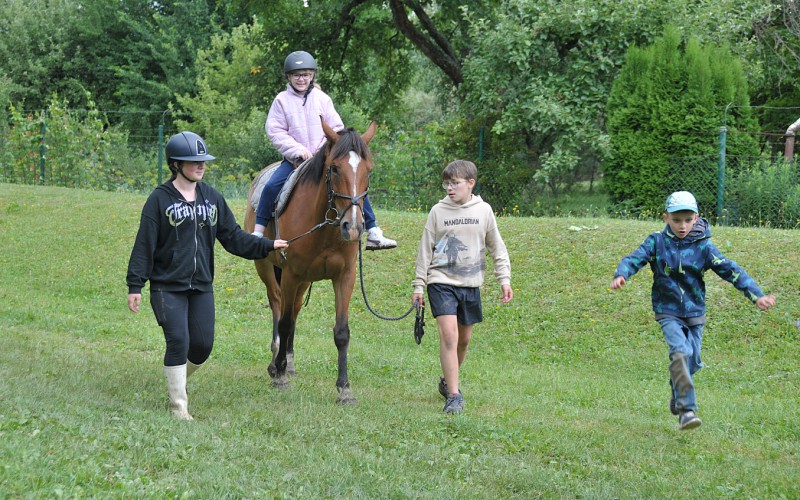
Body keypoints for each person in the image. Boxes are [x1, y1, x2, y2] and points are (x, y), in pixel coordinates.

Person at [126, 131, 288, 420]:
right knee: (179, 341)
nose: (201, 165)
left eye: (203, 160)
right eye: (194, 161)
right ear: (176, 164)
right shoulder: (159, 200)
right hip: (167, 287)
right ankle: (179, 407)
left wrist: (267, 245)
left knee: (201, 347)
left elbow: (234, 237)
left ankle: (177, 378)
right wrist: (135, 284)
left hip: (201, 285)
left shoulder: (212, 197)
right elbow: (144, 243)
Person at [610, 191, 776, 430]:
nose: (682, 226)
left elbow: (731, 270)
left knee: (694, 361)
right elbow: (634, 258)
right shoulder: (656, 242)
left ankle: (677, 391)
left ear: (696, 218)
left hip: (695, 312)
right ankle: (686, 410)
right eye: (676, 220)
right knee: (680, 352)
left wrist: (756, 295)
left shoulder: (704, 247)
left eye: (688, 220)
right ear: (666, 218)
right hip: (667, 310)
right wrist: (622, 273)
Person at [252, 50, 397, 250]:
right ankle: (258, 232)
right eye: (296, 75)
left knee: (353, 186)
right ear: (288, 77)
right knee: (271, 187)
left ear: (312, 76)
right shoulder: (281, 100)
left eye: (305, 74)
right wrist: (297, 150)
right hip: (296, 160)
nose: (301, 79)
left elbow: (336, 127)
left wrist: (329, 149)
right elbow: (275, 130)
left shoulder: (322, 98)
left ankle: (373, 231)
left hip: (323, 158)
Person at [411, 160, 513, 414]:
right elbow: (425, 250)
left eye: (454, 183)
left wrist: (505, 279)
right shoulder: (437, 211)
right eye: (446, 183)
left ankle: (447, 382)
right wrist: (419, 285)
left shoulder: (484, 210)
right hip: (441, 281)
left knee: (464, 341)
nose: (449, 188)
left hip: (470, 284)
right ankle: (454, 396)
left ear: (471, 183)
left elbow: (496, 247)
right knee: (449, 335)